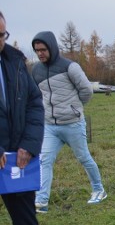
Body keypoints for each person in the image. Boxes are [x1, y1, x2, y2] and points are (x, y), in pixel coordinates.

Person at [0, 11, 72, 225]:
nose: (1, 41)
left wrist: (29, 145)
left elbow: (33, 103)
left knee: (26, 221)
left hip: (17, 158)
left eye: (3, 35)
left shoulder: (16, 62)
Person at [30, 31, 107, 213]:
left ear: (52, 47)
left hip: (73, 124)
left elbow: (87, 90)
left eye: (43, 49)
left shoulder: (70, 67)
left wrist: (75, 108)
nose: (40, 53)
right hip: (50, 126)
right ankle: (41, 201)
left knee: (84, 158)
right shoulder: (36, 70)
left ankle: (99, 190)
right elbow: (37, 95)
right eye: (36, 50)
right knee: (44, 160)